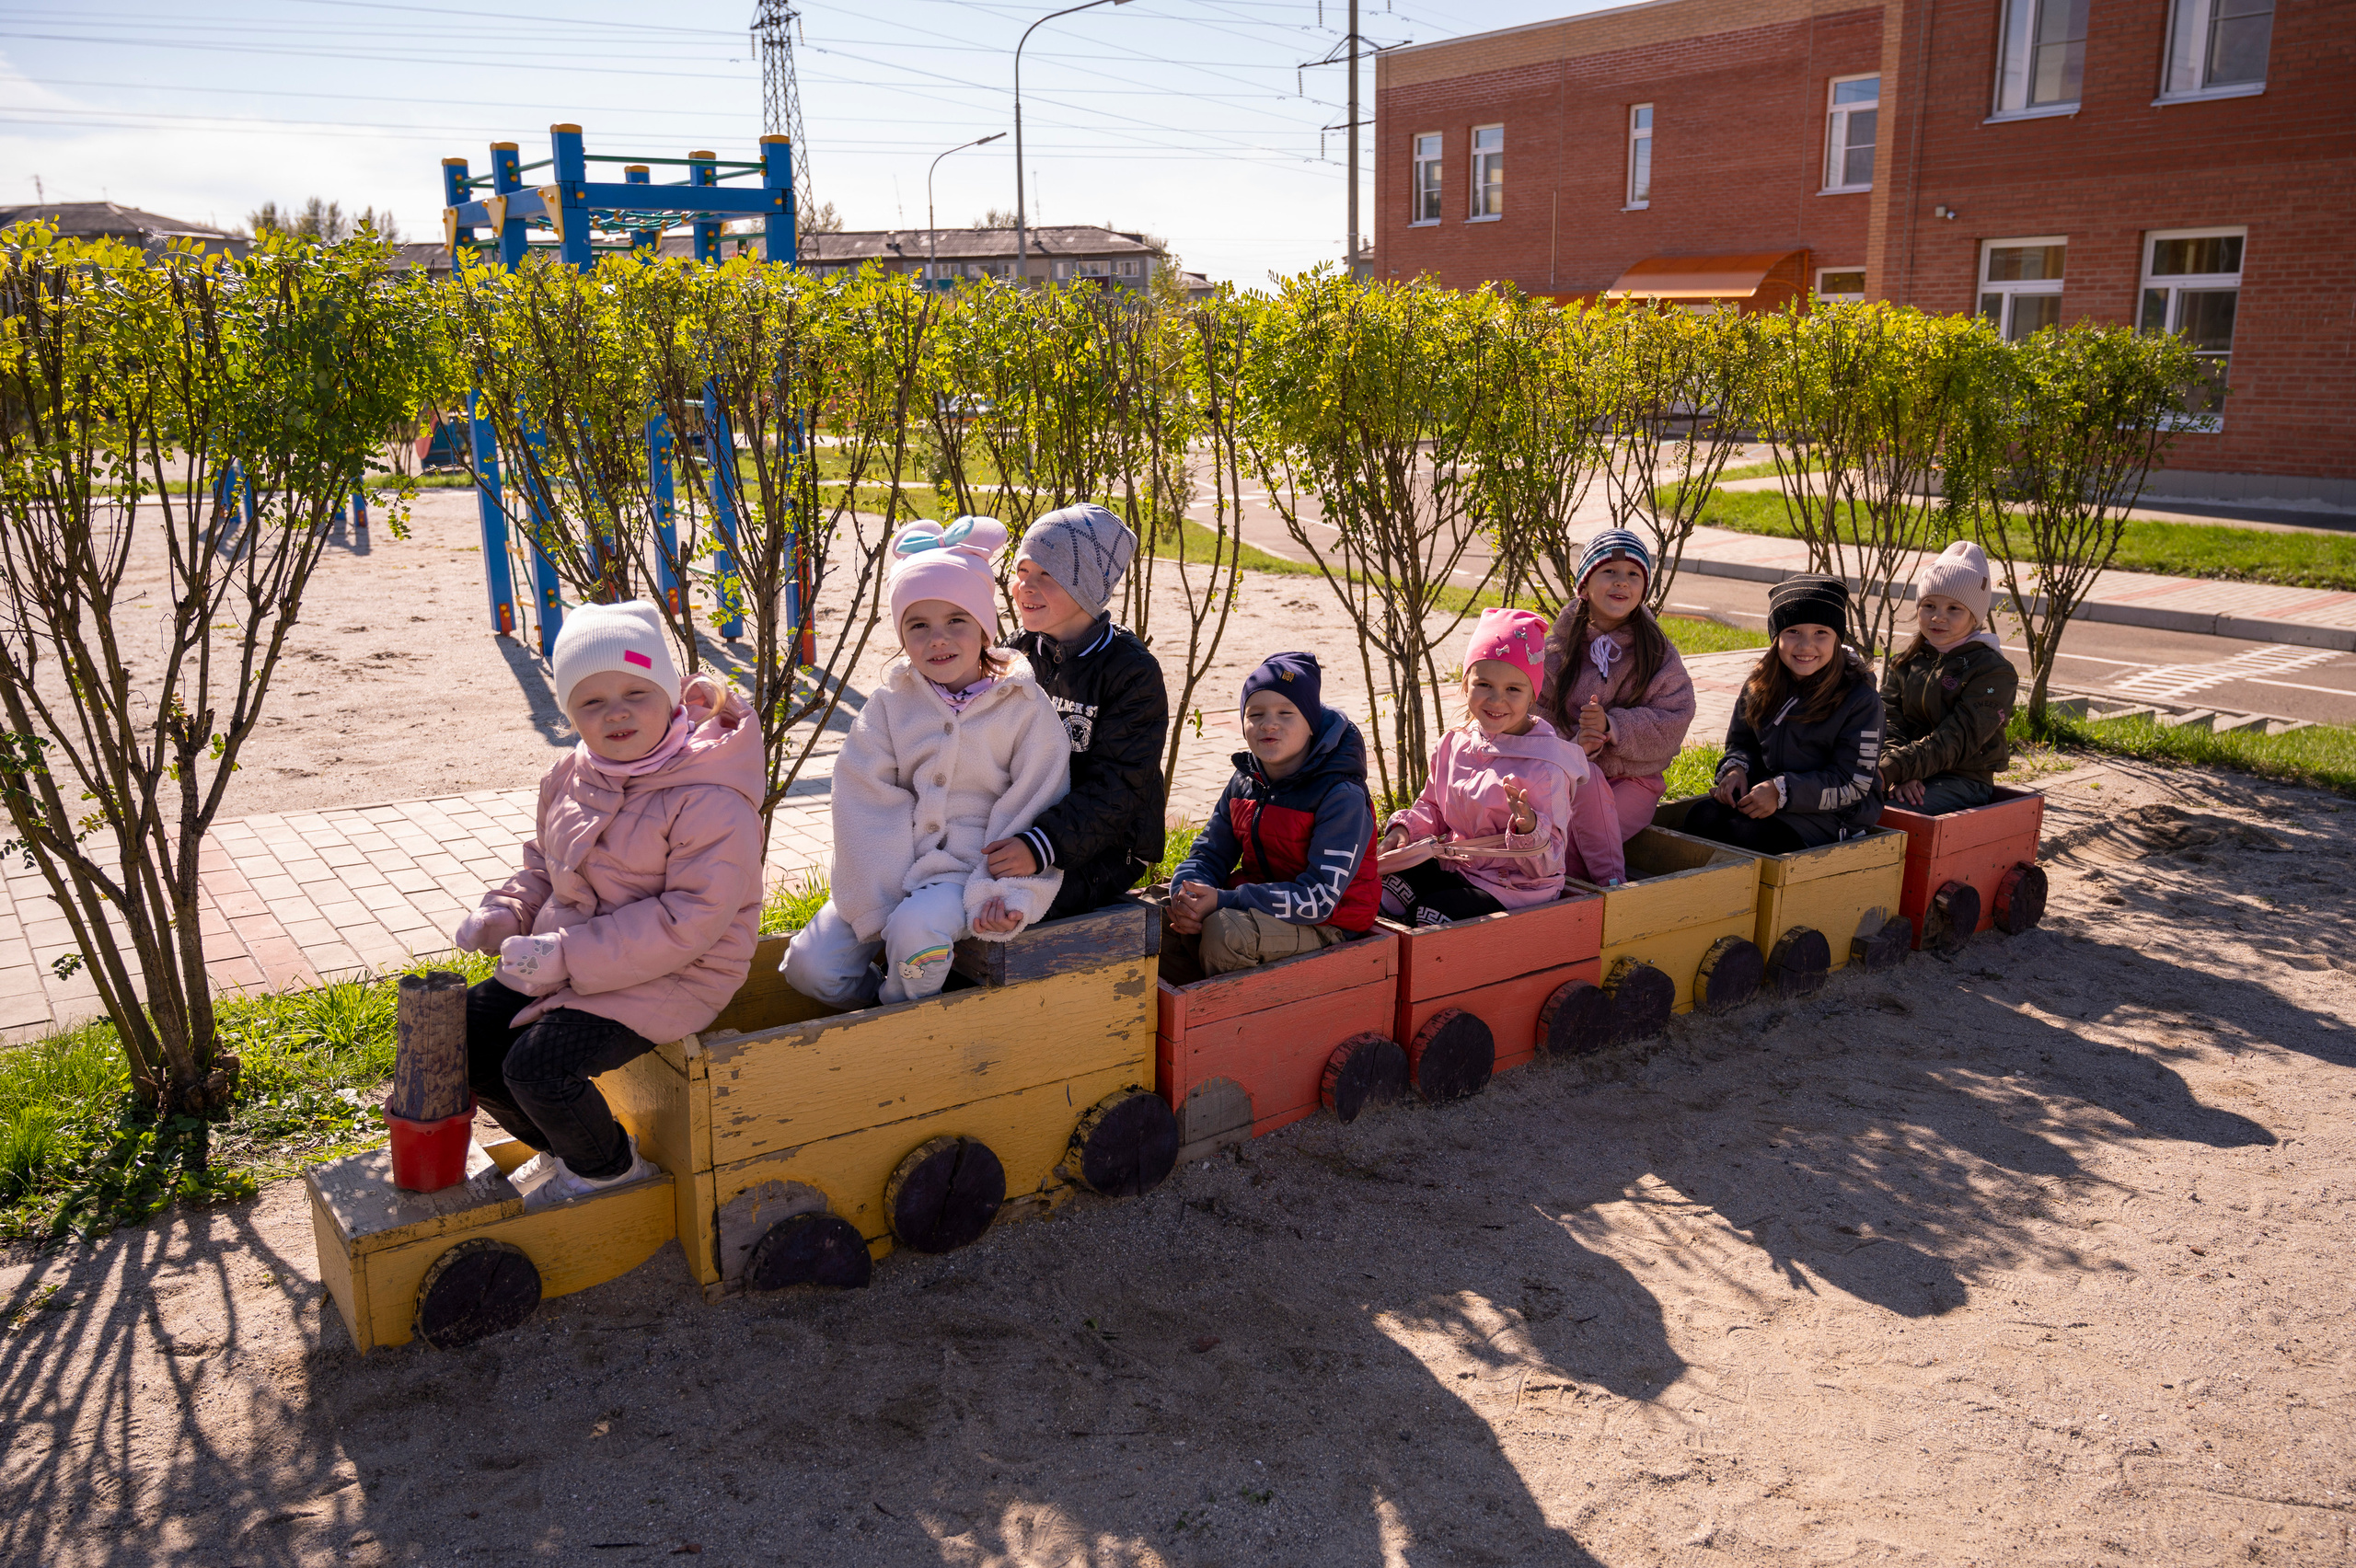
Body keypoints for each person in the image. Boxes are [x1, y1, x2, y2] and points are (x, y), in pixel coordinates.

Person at [454, 600, 763, 1212]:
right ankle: (572, 1147)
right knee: (467, 1034)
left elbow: (689, 921)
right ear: (570, 712)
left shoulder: (708, 797)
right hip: (570, 957)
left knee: (539, 1068)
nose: (616, 712)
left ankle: (611, 1172)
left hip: (675, 973)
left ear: (671, 696)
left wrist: (561, 955)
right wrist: (509, 912)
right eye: (591, 701)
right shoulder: (571, 775)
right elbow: (546, 867)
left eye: (635, 692)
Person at [782, 517, 1069, 1009]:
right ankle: (877, 1009)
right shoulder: (893, 703)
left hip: (965, 870)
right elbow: (861, 793)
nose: (938, 639)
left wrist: (1008, 895)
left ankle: (901, 1025)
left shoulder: (1023, 707)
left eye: (956, 621)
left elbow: (1036, 801)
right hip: (887, 865)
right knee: (810, 965)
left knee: (917, 935)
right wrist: (875, 897)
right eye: (919, 626)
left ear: (983, 628)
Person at [983, 502, 1171, 918]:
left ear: (1086, 586)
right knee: (952, 881)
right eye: (1022, 572)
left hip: (1108, 846)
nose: (1025, 587)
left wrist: (1041, 846)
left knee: (1007, 906)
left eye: (1046, 575)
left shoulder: (1130, 673)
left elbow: (1119, 785)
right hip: (1033, 822)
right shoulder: (1021, 652)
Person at [1378, 607, 1618, 926]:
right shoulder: (1453, 745)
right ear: (1466, 683)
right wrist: (1405, 828)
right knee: (1388, 889)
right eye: (1484, 684)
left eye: (1513, 689)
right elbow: (1432, 806)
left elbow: (1549, 862)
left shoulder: (1545, 767)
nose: (1496, 700)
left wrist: (1529, 828)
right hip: (1460, 866)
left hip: (1516, 886)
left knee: (1433, 915)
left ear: (1533, 695)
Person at [1164, 651, 1380, 975]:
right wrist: (1187, 894)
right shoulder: (1245, 783)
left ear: (1311, 724)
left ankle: (1226, 1019)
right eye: (1255, 713)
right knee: (1152, 919)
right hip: (1261, 903)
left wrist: (1223, 901)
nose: (1269, 723)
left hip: (1330, 922)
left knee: (1226, 934)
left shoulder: (1340, 796)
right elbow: (1208, 853)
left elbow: (1319, 898)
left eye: (1286, 712)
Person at [1680, 574, 1885, 855]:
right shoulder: (1761, 684)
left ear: (1837, 638)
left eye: (1820, 633)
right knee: (1701, 817)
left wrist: (1782, 791)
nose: (1805, 646)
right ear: (1776, 637)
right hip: (1766, 798)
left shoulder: (1860, 700)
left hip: (1831, 815)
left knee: (1745, 835)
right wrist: (1736, 769)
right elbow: (1742, 743)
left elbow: (1852, 782)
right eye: (1793, 632)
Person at [1539, 528, 1697, 843]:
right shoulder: (1558, 648)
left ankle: (1606, 890)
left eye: (1633, 574)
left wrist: (1613, 726)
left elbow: (1675, 715)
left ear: (1643, 589)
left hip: (1634, 780)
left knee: (1584, 842)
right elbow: (1536, 710)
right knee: (1544, 832)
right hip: (1565, 777)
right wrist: (1573, 744)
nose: (1622, 581)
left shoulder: (1656, 652)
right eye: (1609, 571)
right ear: (1584, 586)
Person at [1879, 540, 2018, 815]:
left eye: (1954, 609)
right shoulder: (1908, 660)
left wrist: (1894, 769)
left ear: (1974, 616)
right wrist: (1897, 770)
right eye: (1929, 605)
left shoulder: (1993, 671)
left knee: (1885, 812)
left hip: (1962, 778)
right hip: (1905, 770)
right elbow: (1888, 720)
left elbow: (1957, 738)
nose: (1938, 617)